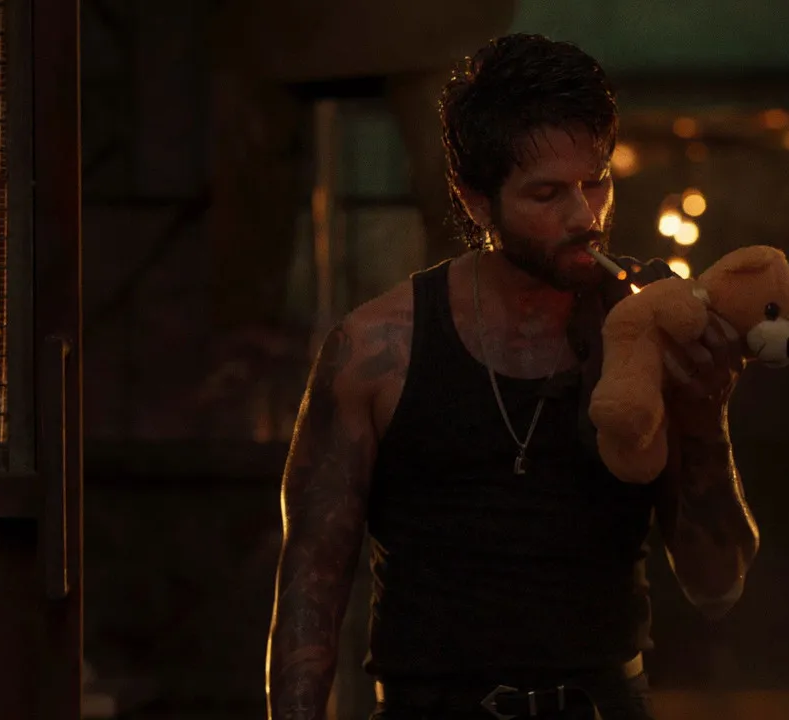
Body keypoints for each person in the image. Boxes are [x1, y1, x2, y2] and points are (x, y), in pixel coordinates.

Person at [266, 33, 760, 720]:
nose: (585, 216)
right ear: (475, 201)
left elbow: (717, 584)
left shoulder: (644, 333)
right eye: (547, 194)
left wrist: (706, 416)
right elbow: (310, 592)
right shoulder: (377, 349)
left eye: (597, 181)